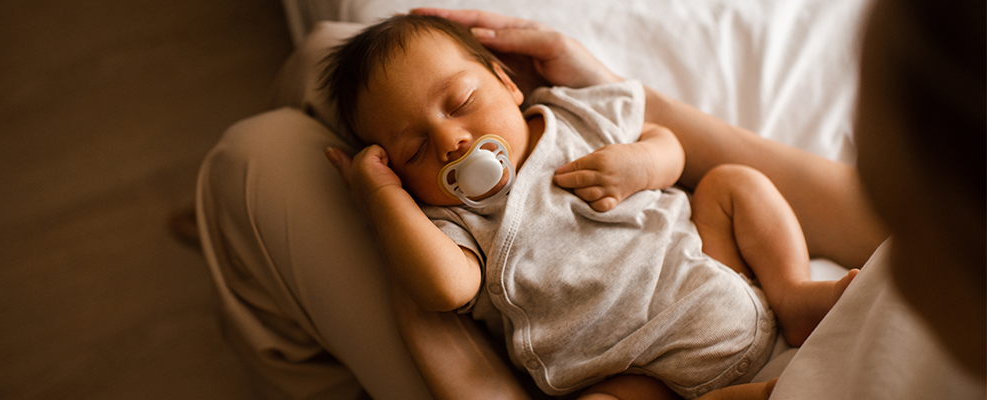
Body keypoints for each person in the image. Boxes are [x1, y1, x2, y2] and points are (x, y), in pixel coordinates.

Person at [374, 3, 983, 399]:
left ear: (507, 82)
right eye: (414, 151)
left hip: (712, 277)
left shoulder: (570, 118)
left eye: (462, 103)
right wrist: (385, 200)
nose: (451, 142)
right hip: (629, 370)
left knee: (732, 184)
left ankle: (793, 292)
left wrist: (643, 162)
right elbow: (445, 284)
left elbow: (667, 145)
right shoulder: (452, 221)